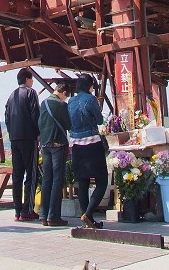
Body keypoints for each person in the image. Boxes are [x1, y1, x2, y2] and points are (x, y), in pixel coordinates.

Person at [67, 73, 107, 229]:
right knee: (102, 181)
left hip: (76, 146)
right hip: (92, 144)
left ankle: (87, 219)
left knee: (82, 182)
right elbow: (99, 120)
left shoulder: (71, 101)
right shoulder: (91, 99)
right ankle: (88, 213)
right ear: (89, 86)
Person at [5, 67, 40, 221]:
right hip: (28, 137)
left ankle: (17, 211)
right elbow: (35, 115)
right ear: (27, 79)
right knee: (32, 174)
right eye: (31, 79)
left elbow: (6, 117)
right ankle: (27, 210)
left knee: (17, 175)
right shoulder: (31, 93)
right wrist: (38, 133)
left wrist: (12, 133)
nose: (32, 82)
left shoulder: (11, 95)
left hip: (14, 138)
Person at [38, 83, 71, 227]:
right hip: (58, 144)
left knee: (47, 179)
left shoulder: (44, 103)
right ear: (63, 92)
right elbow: (68, 125)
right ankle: (53, 216)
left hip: (45, 145)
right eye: (66, 96)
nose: (65, 99)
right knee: (58, 179)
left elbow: (39, 123)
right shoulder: (61, 105)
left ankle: (43, 215)